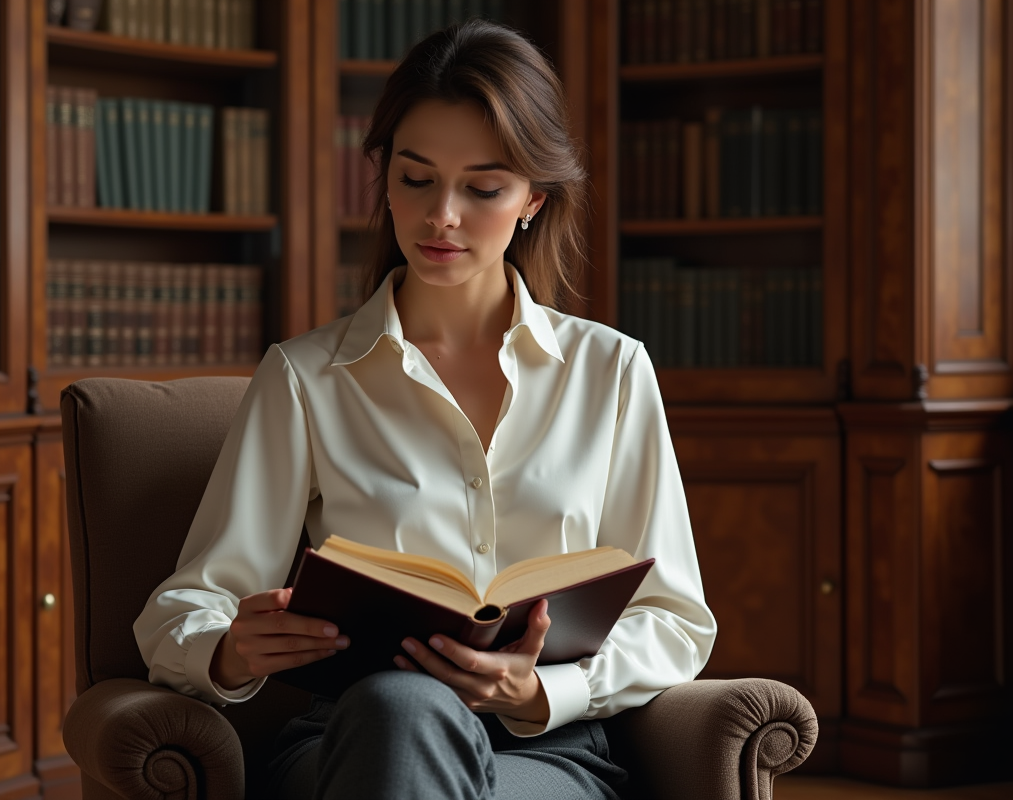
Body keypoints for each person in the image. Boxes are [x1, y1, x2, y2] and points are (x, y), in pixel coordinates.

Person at [134, 18, 717, 800]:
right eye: (415, 179)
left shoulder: (610, 372)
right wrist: (232, 649)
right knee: (400, 706)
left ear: (533, 201)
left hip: (544, 754)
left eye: (482, 188)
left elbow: (675, 618)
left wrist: (543, 693)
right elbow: (184, 608)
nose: (442, 215)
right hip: (353, 739)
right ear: (384, 180)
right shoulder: (306, 378)